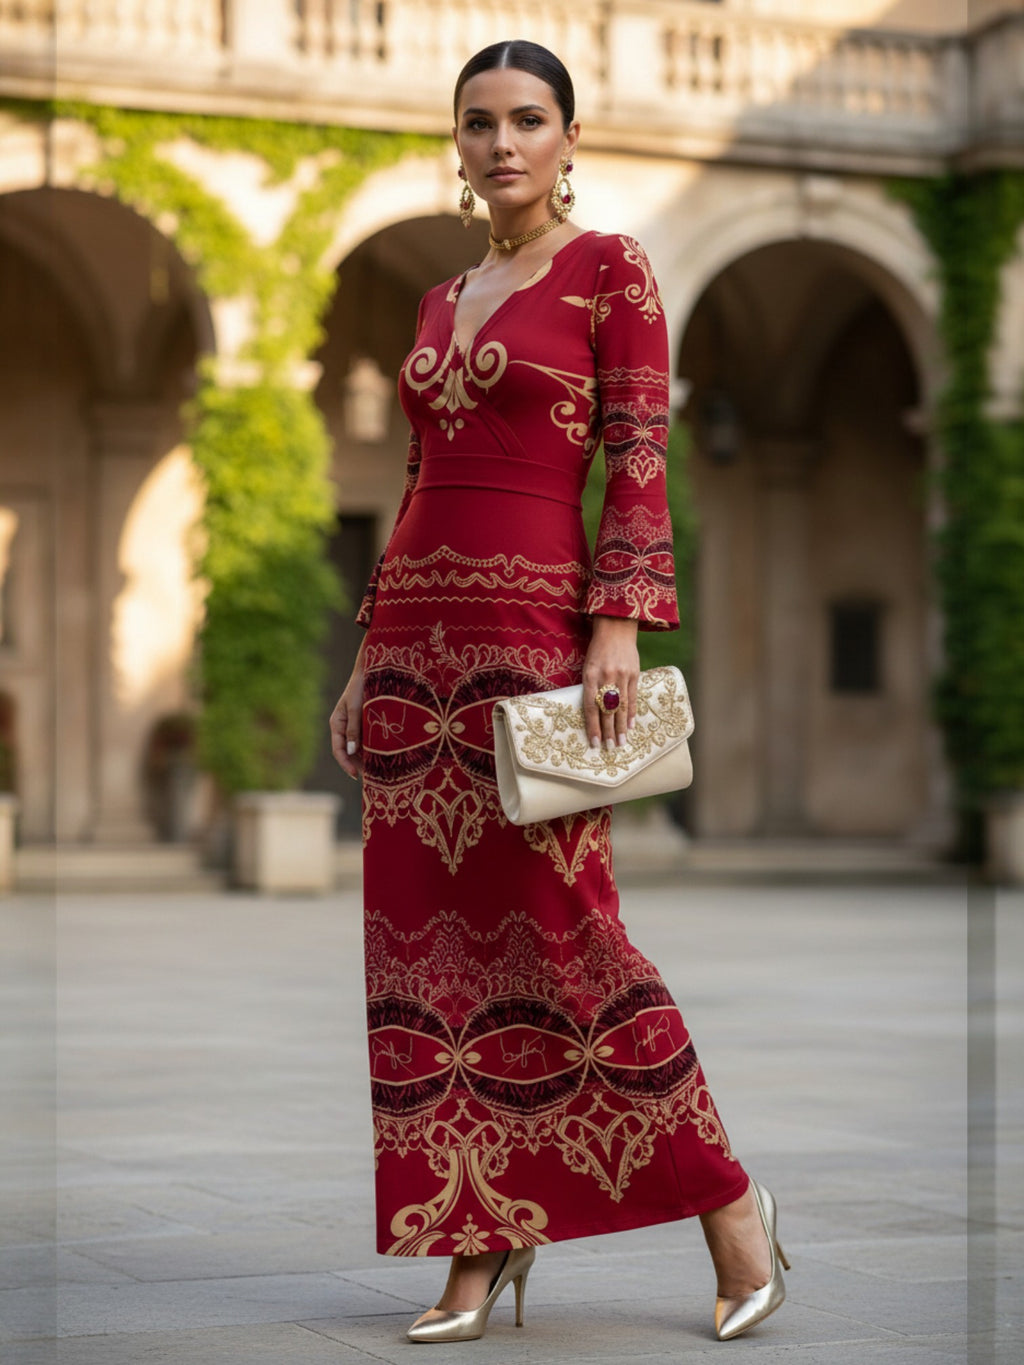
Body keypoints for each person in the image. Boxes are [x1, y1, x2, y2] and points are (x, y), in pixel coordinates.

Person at [330, 38, 788, 1345]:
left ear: (569, 138)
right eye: (478, 123)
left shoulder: (612, 270)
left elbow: (638, 453)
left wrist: (617, 628)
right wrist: (370, 649)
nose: (501, 143)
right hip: (418, 651)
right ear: (458, 143)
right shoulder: (434, 301)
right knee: (425, 958)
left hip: (537, 637)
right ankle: (476, 1240)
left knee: (572, 932)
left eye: (528, 119)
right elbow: (413, 489)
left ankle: (733, 1205)